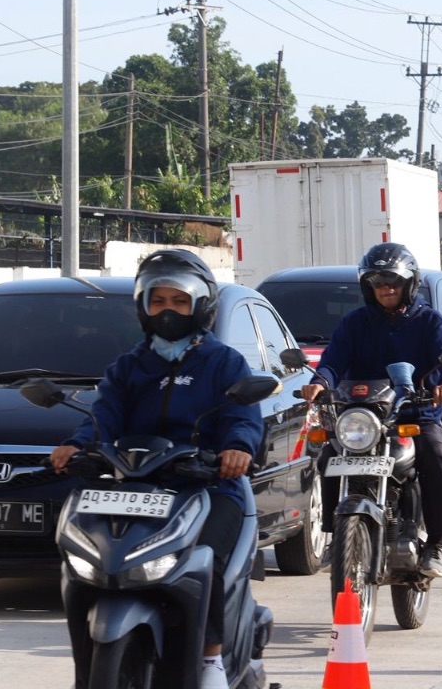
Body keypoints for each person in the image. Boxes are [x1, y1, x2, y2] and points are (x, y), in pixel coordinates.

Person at [49, 249, 262, 689]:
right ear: (143, 305)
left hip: (208, 486)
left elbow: (242, 416)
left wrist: (237, 449)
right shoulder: (129, 366)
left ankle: (211, 658)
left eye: (179, 301)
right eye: (158, 300)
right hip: (134, 486)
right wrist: (77, 445)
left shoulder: (224, 363)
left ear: (200, 306)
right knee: (86, 553)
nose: (168, 310)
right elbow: (103, 416)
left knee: (206, 559)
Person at [300, 243, 442, 578]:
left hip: (414, 416)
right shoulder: (354, 323)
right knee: (329, 454)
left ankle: (437, 542)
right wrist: (319, 382)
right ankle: (336, 535)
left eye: (393, 281)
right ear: (367, 286)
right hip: (363, 419)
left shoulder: (431, 323)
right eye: (377, 282)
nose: (386, 288)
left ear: (409, 284)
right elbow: (333, 361)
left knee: (435, 453)